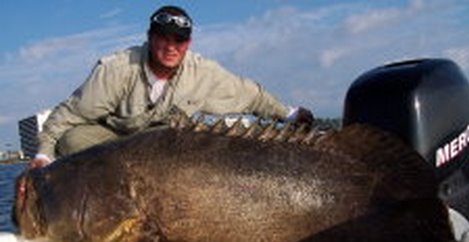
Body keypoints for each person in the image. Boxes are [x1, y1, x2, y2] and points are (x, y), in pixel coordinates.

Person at [31, 5, 314, 168]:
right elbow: (66, 116)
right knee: (71, 141)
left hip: (162, 150)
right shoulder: (116, 70)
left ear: (188, 44)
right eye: (163, 38)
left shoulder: (203, 72)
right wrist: (44, 154)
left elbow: (251, 95)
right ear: (149, 38)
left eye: (179, 40)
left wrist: (289, 114)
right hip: (114, 142)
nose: (170, 47)